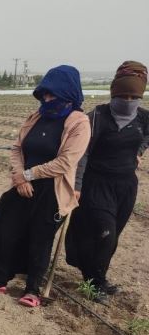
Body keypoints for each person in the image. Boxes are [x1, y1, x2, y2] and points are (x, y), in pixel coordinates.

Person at [0, 65, 90, 307]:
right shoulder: (36, 117)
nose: (47, 100)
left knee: (40, 239)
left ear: (68, 94)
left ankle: (33, 290)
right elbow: (17, 148)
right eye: (44, 95)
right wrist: (19, 176)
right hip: (22, 185)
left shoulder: (78, 122)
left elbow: (65, 162)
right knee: (3, 230)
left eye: (52, 95)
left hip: (52, 191)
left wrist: (28, 175)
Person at [65, 61, 148, 300]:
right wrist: (77, 186)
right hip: (96, 184)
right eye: (124, 95)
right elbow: (84, 153)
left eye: (134, 96)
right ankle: (95, 283)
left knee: (112, 239)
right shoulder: (97, 117)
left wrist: (139, 151)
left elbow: (147, 137)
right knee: (104, 234)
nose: (129, 100)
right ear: (114, 93)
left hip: (125, 187)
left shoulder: (143, 119)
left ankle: (96, 275)